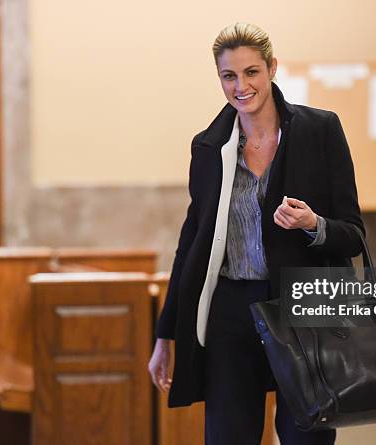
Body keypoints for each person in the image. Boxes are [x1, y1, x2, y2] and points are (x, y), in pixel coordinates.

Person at [148, 22, 364, 445]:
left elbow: (353, 234)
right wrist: (165, 334)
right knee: (228, 435)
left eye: (251, 72)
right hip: (232, 311)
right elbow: (190, 244)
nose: (241, 86)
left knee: (306, 435)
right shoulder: (209, 147)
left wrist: (313, 225)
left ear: (272, 69)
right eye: (229, 76)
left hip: (304, 308)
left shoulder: (320, 131)